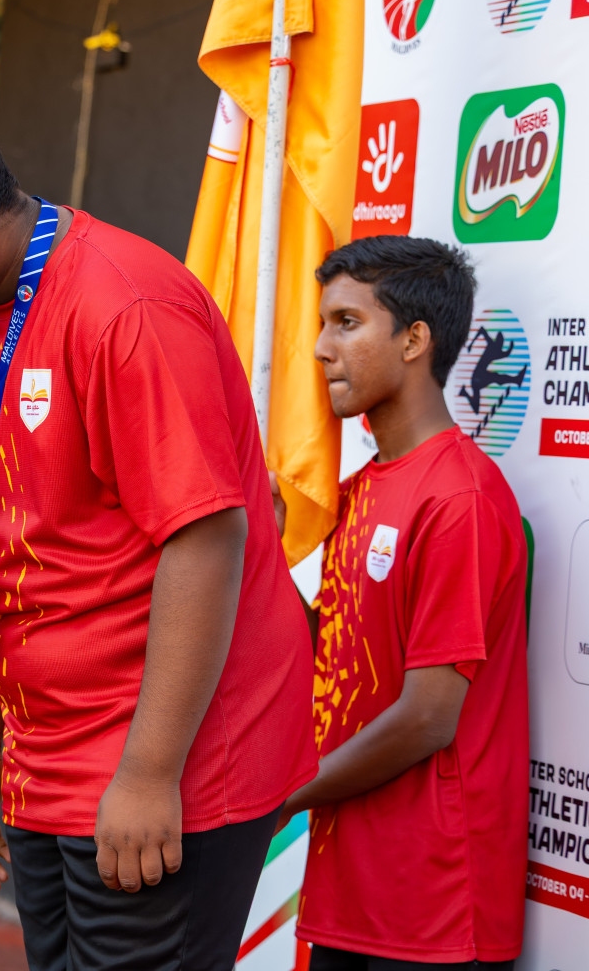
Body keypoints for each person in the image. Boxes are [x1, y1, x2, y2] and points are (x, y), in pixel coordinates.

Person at [0, 86, 315, 970]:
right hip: (48, 766)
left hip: (166, 766)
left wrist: (147, 773)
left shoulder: (127, 303)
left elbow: (207, 538)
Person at [269, 236, 527, 970]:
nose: (321, 348)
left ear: (416, 339)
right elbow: (335, 658)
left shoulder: (459, 498)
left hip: (434, 908)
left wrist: (282, 797)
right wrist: (264, 557)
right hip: (353, 891)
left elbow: (427, 717)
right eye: (322, 324)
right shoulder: (361, 489)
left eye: (347, 323)